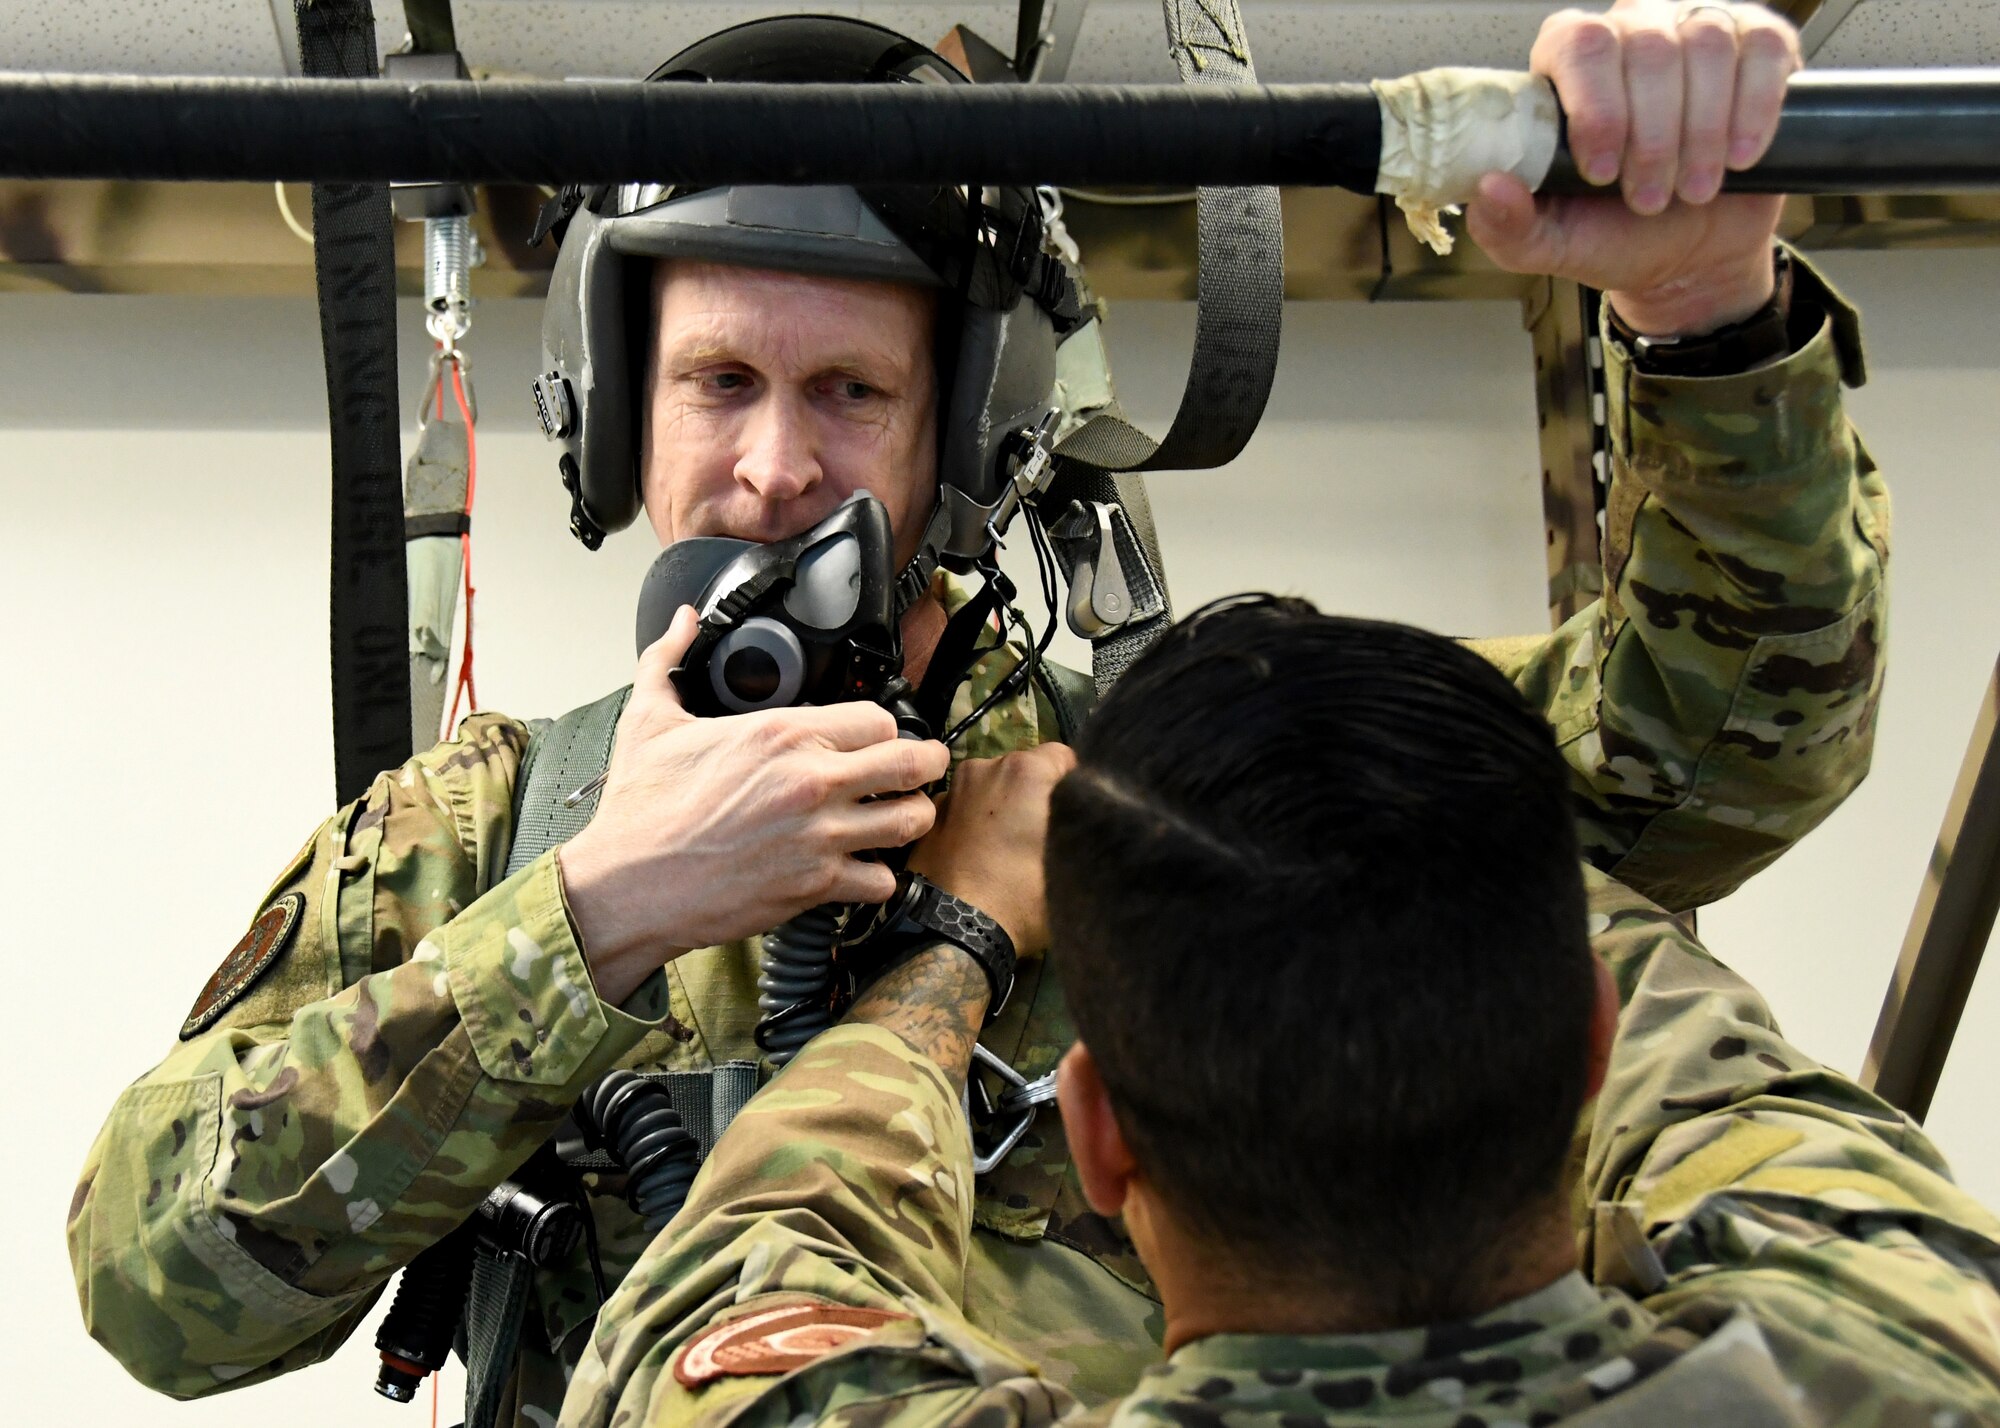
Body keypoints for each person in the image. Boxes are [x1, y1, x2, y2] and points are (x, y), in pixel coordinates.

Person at [68, 1, 1889, 1420]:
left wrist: (1699, 304)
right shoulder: (491, 833)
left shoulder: (1166, 791)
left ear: (968, 425)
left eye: (850, 389)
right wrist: (597, 917)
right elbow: (155, 1283)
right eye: (716, 380)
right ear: (620, 412)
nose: (774, 467)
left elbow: (1719, 745)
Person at [561, 596, 2000, 1428]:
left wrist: (956, 946)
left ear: (1099, 1135)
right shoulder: (1901, 1356)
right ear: (1591, 1053)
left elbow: (731, 1290)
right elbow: (1756, 1117)